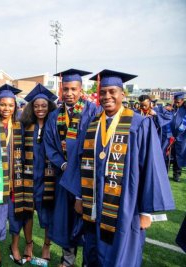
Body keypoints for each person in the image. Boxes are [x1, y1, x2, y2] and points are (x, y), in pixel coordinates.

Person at [61, 69, 175, 266]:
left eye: (112, 91)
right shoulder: (92, 124)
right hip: (95, 203)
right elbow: (80, 161)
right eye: (103, 92)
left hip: (126, 206)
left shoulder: (139, 124)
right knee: (94, 251)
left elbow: (151, 167)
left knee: (121, 254)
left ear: (123, 94)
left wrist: (146, 212)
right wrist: (79, 196)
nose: (107, 96)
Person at [45, 69, 100, 267]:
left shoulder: (93, 111)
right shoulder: (55, 115)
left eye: (73, 89)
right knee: (67, 218)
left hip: (87, 176)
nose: (69, 93)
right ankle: (67, 260)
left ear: (81, 89)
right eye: (66, 89)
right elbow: (49, 146)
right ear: (61, 89)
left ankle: (87, 261)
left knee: (87, 219)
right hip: (65, 175)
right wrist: (64, 164)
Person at [19, 84, 57, 264]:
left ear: (49, 106)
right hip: (29, 176)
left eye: (44, 105)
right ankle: (28, 244)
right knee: (27, 212)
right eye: (36, 106)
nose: (40, 109)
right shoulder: (25, 125)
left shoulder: (55, 125)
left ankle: (47, 245)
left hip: (48, 177)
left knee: (48, 212)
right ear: (31, 108)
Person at [0, 84, 22, 266]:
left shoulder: (20, 126)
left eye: (10, 105)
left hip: (17, 180)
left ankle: (15, 246)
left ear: (15, 106)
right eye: (3, 104)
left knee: (17, 217)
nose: (6, 108)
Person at [169, 92, 186, 182]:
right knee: (168, 155)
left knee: (178, 156)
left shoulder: (185, 109)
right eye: (175, 101)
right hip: (170, 136)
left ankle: (177, 175)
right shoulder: (172, 109)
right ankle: (164, 173)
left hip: (181, 137)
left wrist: (179, 135)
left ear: (183, 100)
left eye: (178, 102)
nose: (176, 103)